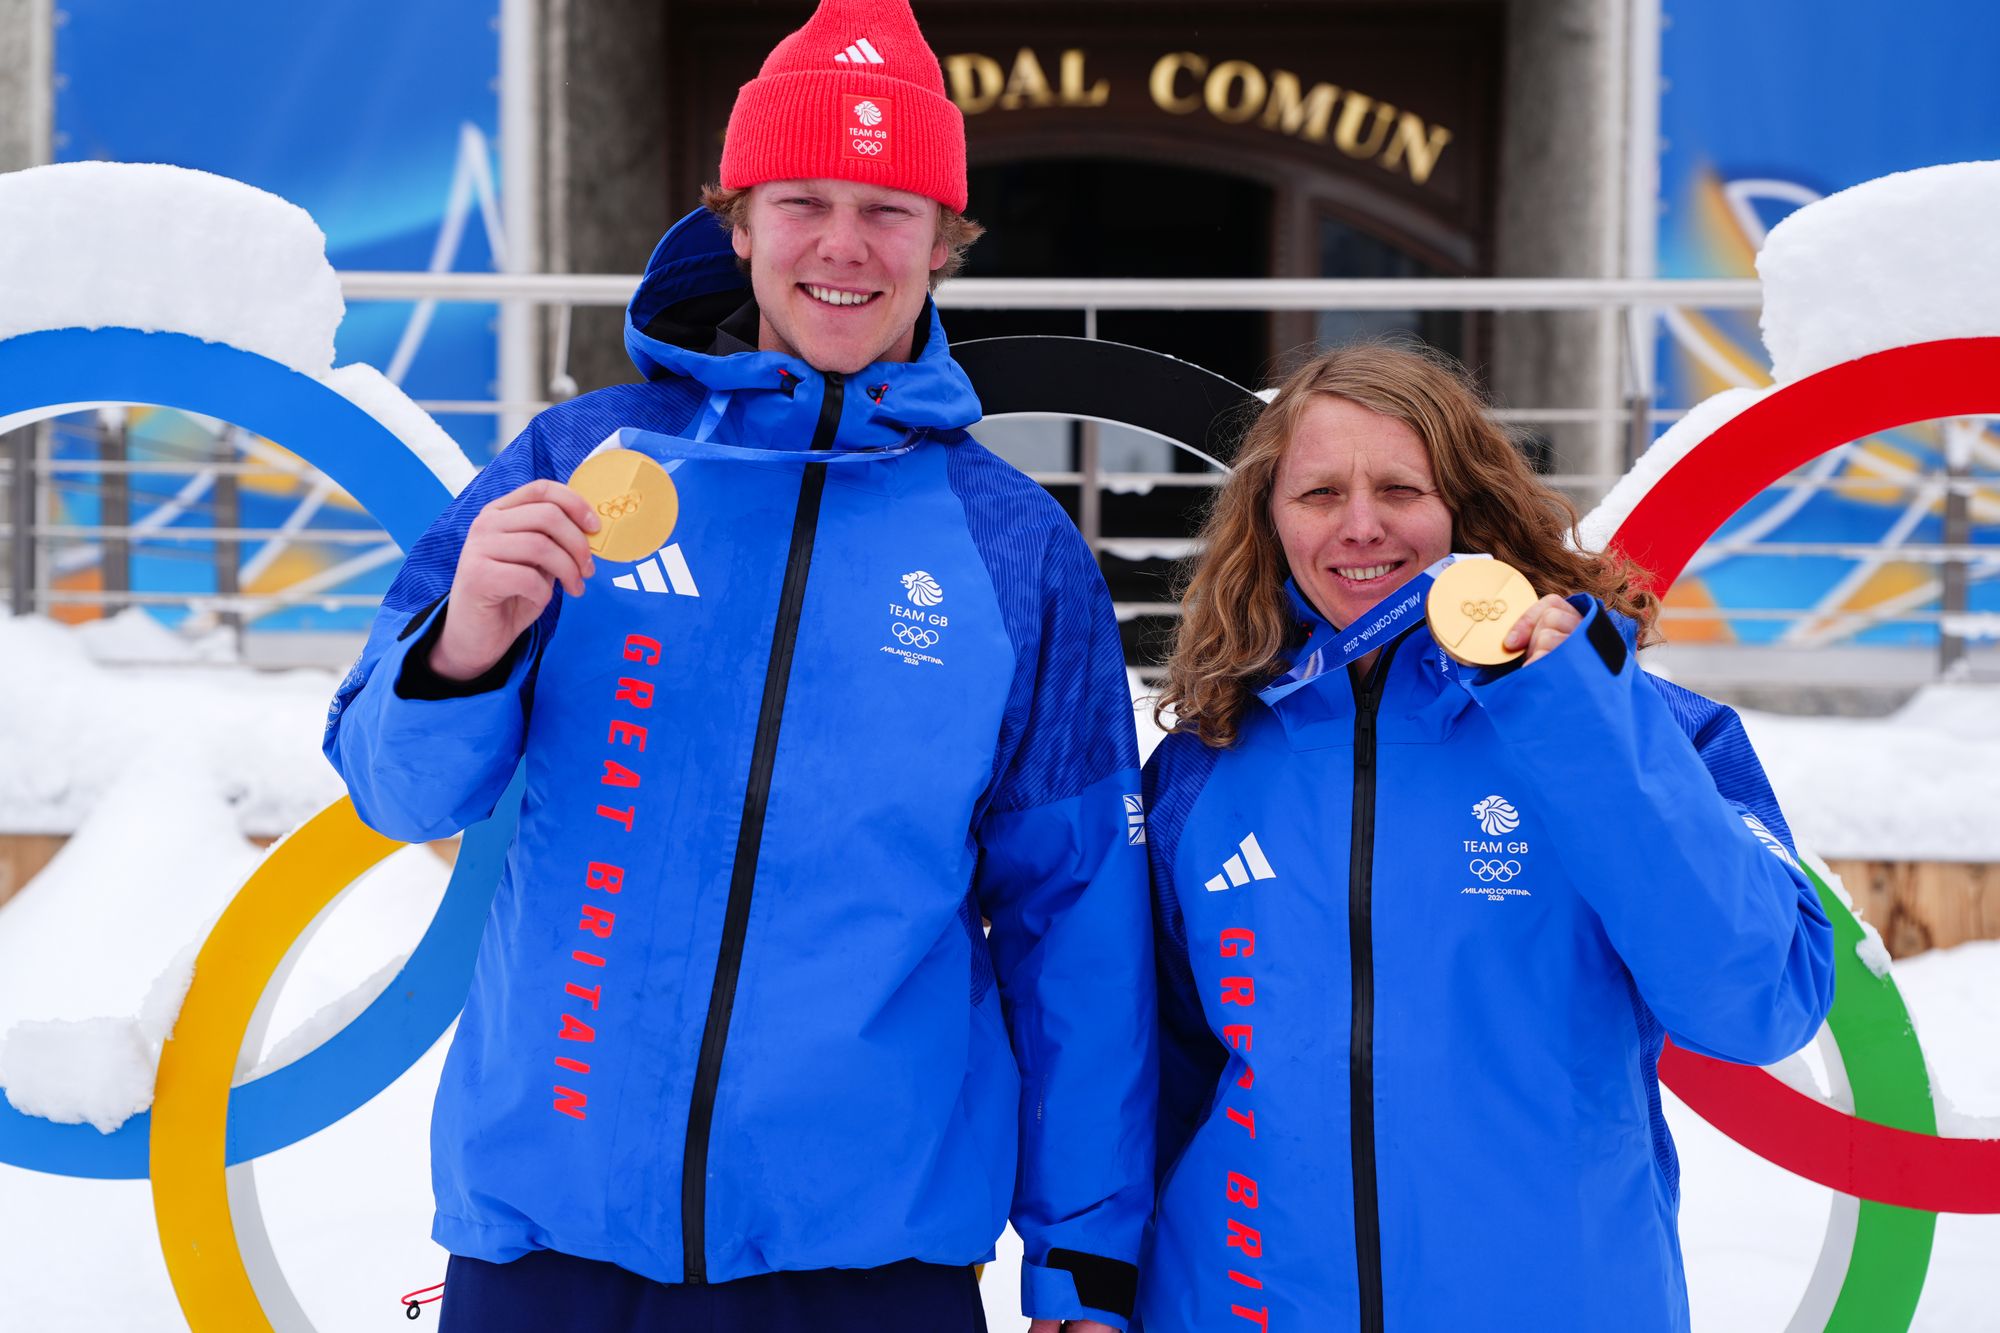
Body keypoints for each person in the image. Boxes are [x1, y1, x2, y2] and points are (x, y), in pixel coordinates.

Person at [322, 2, 1151, 1330]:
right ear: (738, 220)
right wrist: (466, 638)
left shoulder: (1015, 550)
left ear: (946, 242)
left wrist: (1085, 1261)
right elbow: (397, 791)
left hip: (867, 1266)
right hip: (550, 1246)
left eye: (888, 209)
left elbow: (1080, 926)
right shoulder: (579, 463)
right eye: (804, 200)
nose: (842, 244)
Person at [1134, 342, 1834, 1333]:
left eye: (1398, 488)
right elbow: (1149, 1074)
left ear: (1464, 505)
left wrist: (1579, 720)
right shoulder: (1205, 763)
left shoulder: (1625, 725)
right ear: (1268, 518)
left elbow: (1755, 1001)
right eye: (1318, 493)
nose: (1359, 525)